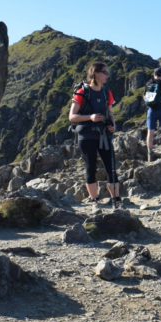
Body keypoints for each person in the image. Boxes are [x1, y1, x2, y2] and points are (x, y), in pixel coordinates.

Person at [68, 61, 121, 213]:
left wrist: (113, 125)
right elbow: (72, 116)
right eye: (105, 72)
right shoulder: (82, 92)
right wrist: (90, 117)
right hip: (86, 135)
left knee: (111, 168)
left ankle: (116, 201)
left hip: (104, 135)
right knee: (90, 168)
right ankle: (95, 202)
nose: (107, 75)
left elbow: (110, 113)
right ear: (95, 73)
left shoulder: (106, 93)